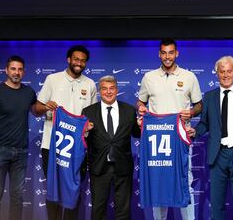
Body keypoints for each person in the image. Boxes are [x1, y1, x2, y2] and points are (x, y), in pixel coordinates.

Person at [137, 38, 202, 220]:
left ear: (177, 53)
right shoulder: (149, 77)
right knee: (159, 183)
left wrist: (191, 112)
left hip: (180, 137)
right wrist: (141, 108)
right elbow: (140, 102)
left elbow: (199, 105)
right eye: (164, 53)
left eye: (170, 52)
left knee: (184, 181)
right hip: (156, 139)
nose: (167, 57)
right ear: (159, 54)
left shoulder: (189, 77)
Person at [189, 55, 233, 220]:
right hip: (217, 154)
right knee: (217, 202)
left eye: (229, 71)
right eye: (222, 72)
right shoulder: (210, 96)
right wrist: (195, 132)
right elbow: (204, 123)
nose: (225, 75)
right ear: (217, 73)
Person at [34, 45, 97, 220]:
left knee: (74, 188)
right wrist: (46, 106)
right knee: (54, 187)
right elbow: (36, 108)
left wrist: (89, 125)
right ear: (69, 60)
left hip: (77, 147)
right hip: (52, 145)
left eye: (83, 60)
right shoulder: (52, 79)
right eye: (76, 59)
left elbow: (92, 115)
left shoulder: (90, 84)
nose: (79, 63)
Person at [0, 56, 38, 220]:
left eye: (20, 69)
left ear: (24, 72)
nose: (16, 72)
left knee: (17, 197)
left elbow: (36, 111)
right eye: (13, 69)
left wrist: (50, 106)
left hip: (21, 152)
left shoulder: (29, 92)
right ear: (6, 70)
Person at [82, 75, 141, 220]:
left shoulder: (129, 110)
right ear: (99, 91)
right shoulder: (88, 112)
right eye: (104, 89)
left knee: (123, 211)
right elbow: (82, 140)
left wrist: (140, 126)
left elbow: (136, 134)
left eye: (112, 88)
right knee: (98, 210)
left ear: (117, 90)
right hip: (99, 167)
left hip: (123, 167)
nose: (108, 92)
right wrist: (85, 132)